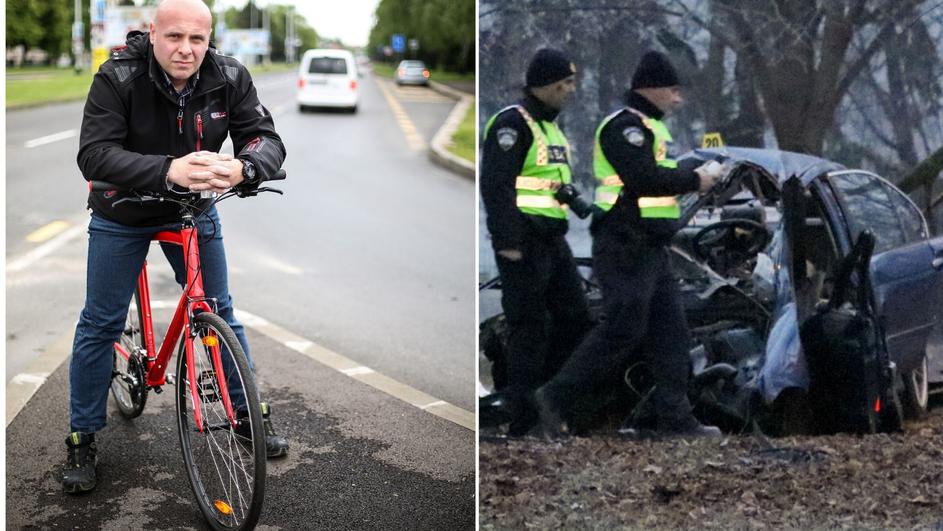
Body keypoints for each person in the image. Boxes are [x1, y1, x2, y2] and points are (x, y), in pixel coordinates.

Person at [63, 0, 289, 494]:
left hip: (190, 210)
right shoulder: (117, 76)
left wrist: (244, 168)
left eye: (197, 39)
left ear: (210, 39)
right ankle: (82, 434)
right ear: (154, 32)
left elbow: (264, 138)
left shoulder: (229, 75)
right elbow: (94, 153)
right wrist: (168, 168)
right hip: (120, 210)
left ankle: (248, 412)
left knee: (220, 311)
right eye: (174, 37)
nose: (186, 49)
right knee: (100, 321)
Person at [534, 50, 726, 438]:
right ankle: (554, 399)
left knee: (671, 333)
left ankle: (676, 419)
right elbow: (644, 178)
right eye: (673, 90)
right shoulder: (624, 128)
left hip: (651, 249)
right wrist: (697, 180)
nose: (678, 99)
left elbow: (663, 173)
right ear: (652, 90)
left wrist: (696, 170)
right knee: (623, 329)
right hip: (623, 246)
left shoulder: (653, 130)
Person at [480, 48, 592, 436]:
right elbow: (496, 186)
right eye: (566, 84)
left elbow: (541, 179)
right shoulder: (513, 123)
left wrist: (566, 194)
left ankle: (549, 400)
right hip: (523, 243)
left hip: (551, 239)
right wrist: (507, 242)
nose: (571, 91)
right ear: (547, 85)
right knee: (529, 328)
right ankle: (522, 419)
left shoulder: (550, 127)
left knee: (576, 318)